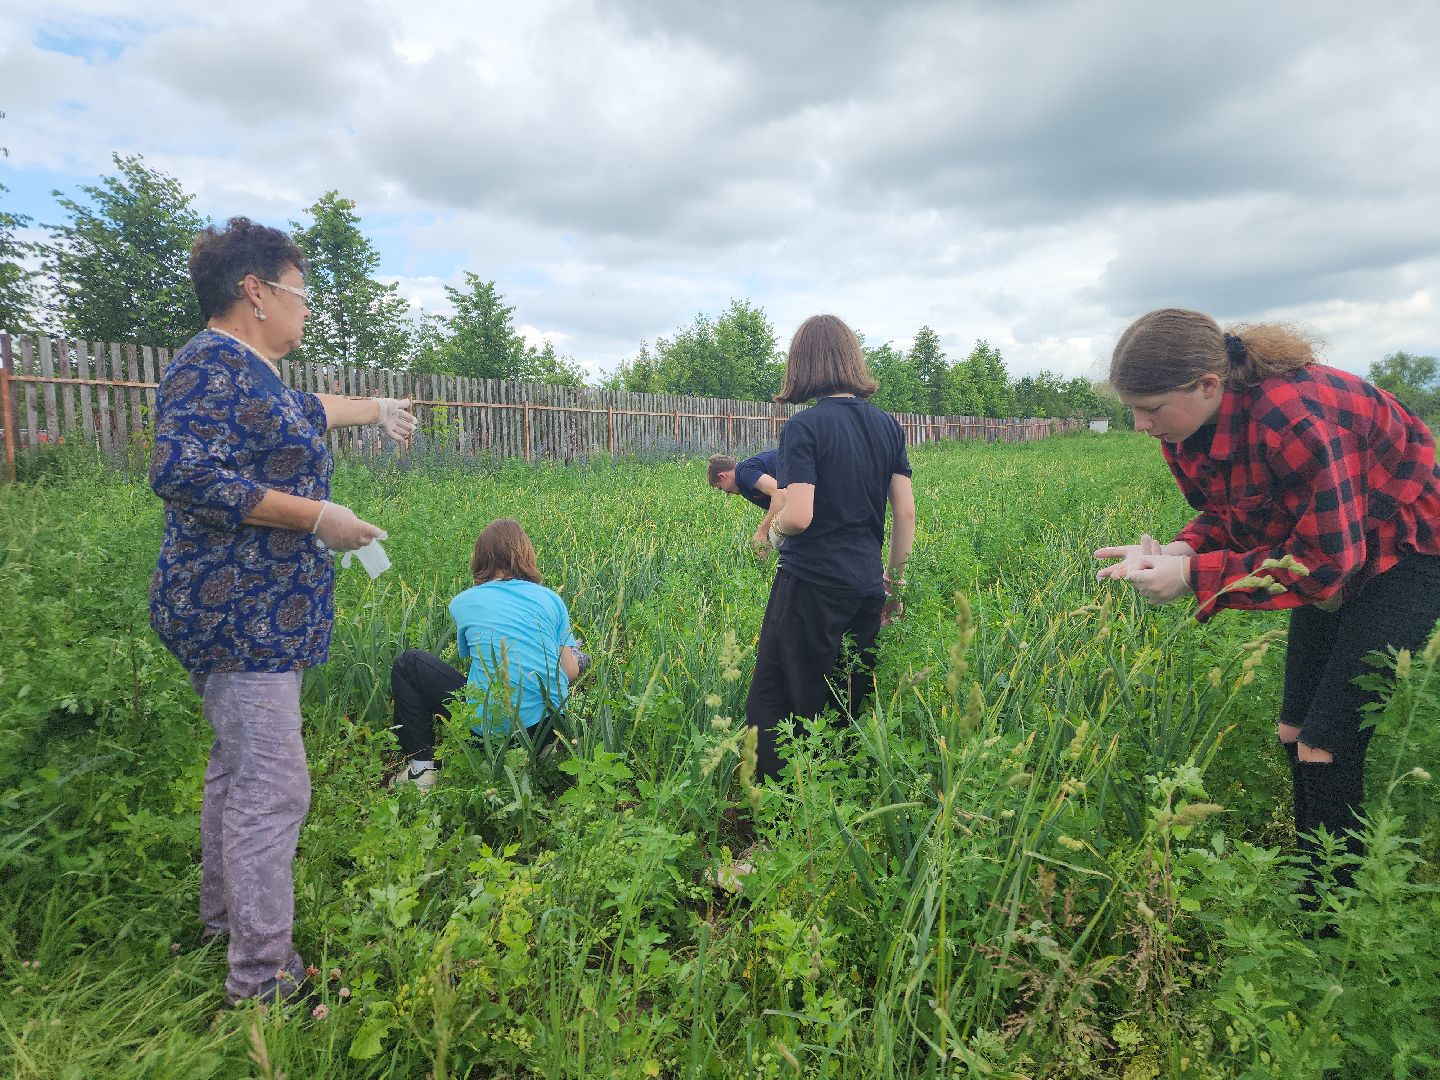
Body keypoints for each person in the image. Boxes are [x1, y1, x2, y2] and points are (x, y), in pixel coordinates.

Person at [149, 216, 417, 1007]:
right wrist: (316, 517)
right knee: (275, 788)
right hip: (241, 619)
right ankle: (262, 983)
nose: (308, 308)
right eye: (300, 292)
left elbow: (301, 413)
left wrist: (373, 409)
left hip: (253, 614)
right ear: (255, 292)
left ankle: (221, 923)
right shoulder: (208, 369)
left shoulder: (247, 372)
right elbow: (182, 474)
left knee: (236, 773)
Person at [1095, 307, 1440, 896]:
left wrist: (1192, 577)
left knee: (1325, 741)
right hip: (1331, 542)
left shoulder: (1292, 418)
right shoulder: (1187, 432)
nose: (1141, 425)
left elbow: (1326, 567)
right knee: (1292, 729)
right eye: (1132, 409)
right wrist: (1180, 547)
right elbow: (1238, 515)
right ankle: (1318, 861)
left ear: (1208, 385)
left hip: (1406, 549)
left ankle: (1329, 910)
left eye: (1151, 408)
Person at [744, 314, 916, 782]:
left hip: (811, 585)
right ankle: (836, 795)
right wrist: (894, 587)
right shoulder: (888, 426)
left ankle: (776, 815)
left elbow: (799, 514)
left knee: (780, 694)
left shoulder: (806, 427)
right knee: (847, 692)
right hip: (865, 584)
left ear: (802, 364)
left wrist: (772, 533)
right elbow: (904, 514)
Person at [389, 518, 589, 790]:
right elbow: (568, 672)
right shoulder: (551, 599)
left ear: (480, 559)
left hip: (487, 732)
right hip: (548, 729)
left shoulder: (462, 603)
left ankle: (421, 770)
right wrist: (579, 657)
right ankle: (543, 753)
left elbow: (473, 656)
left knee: (409, 663)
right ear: (526, 554)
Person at [708, 449, 782, 557]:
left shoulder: (745, 472)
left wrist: (762, 532)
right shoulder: (743, 485)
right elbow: (778, 506)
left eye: (721, 488)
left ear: (722, 476)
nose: (726, 493)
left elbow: (780, 494)